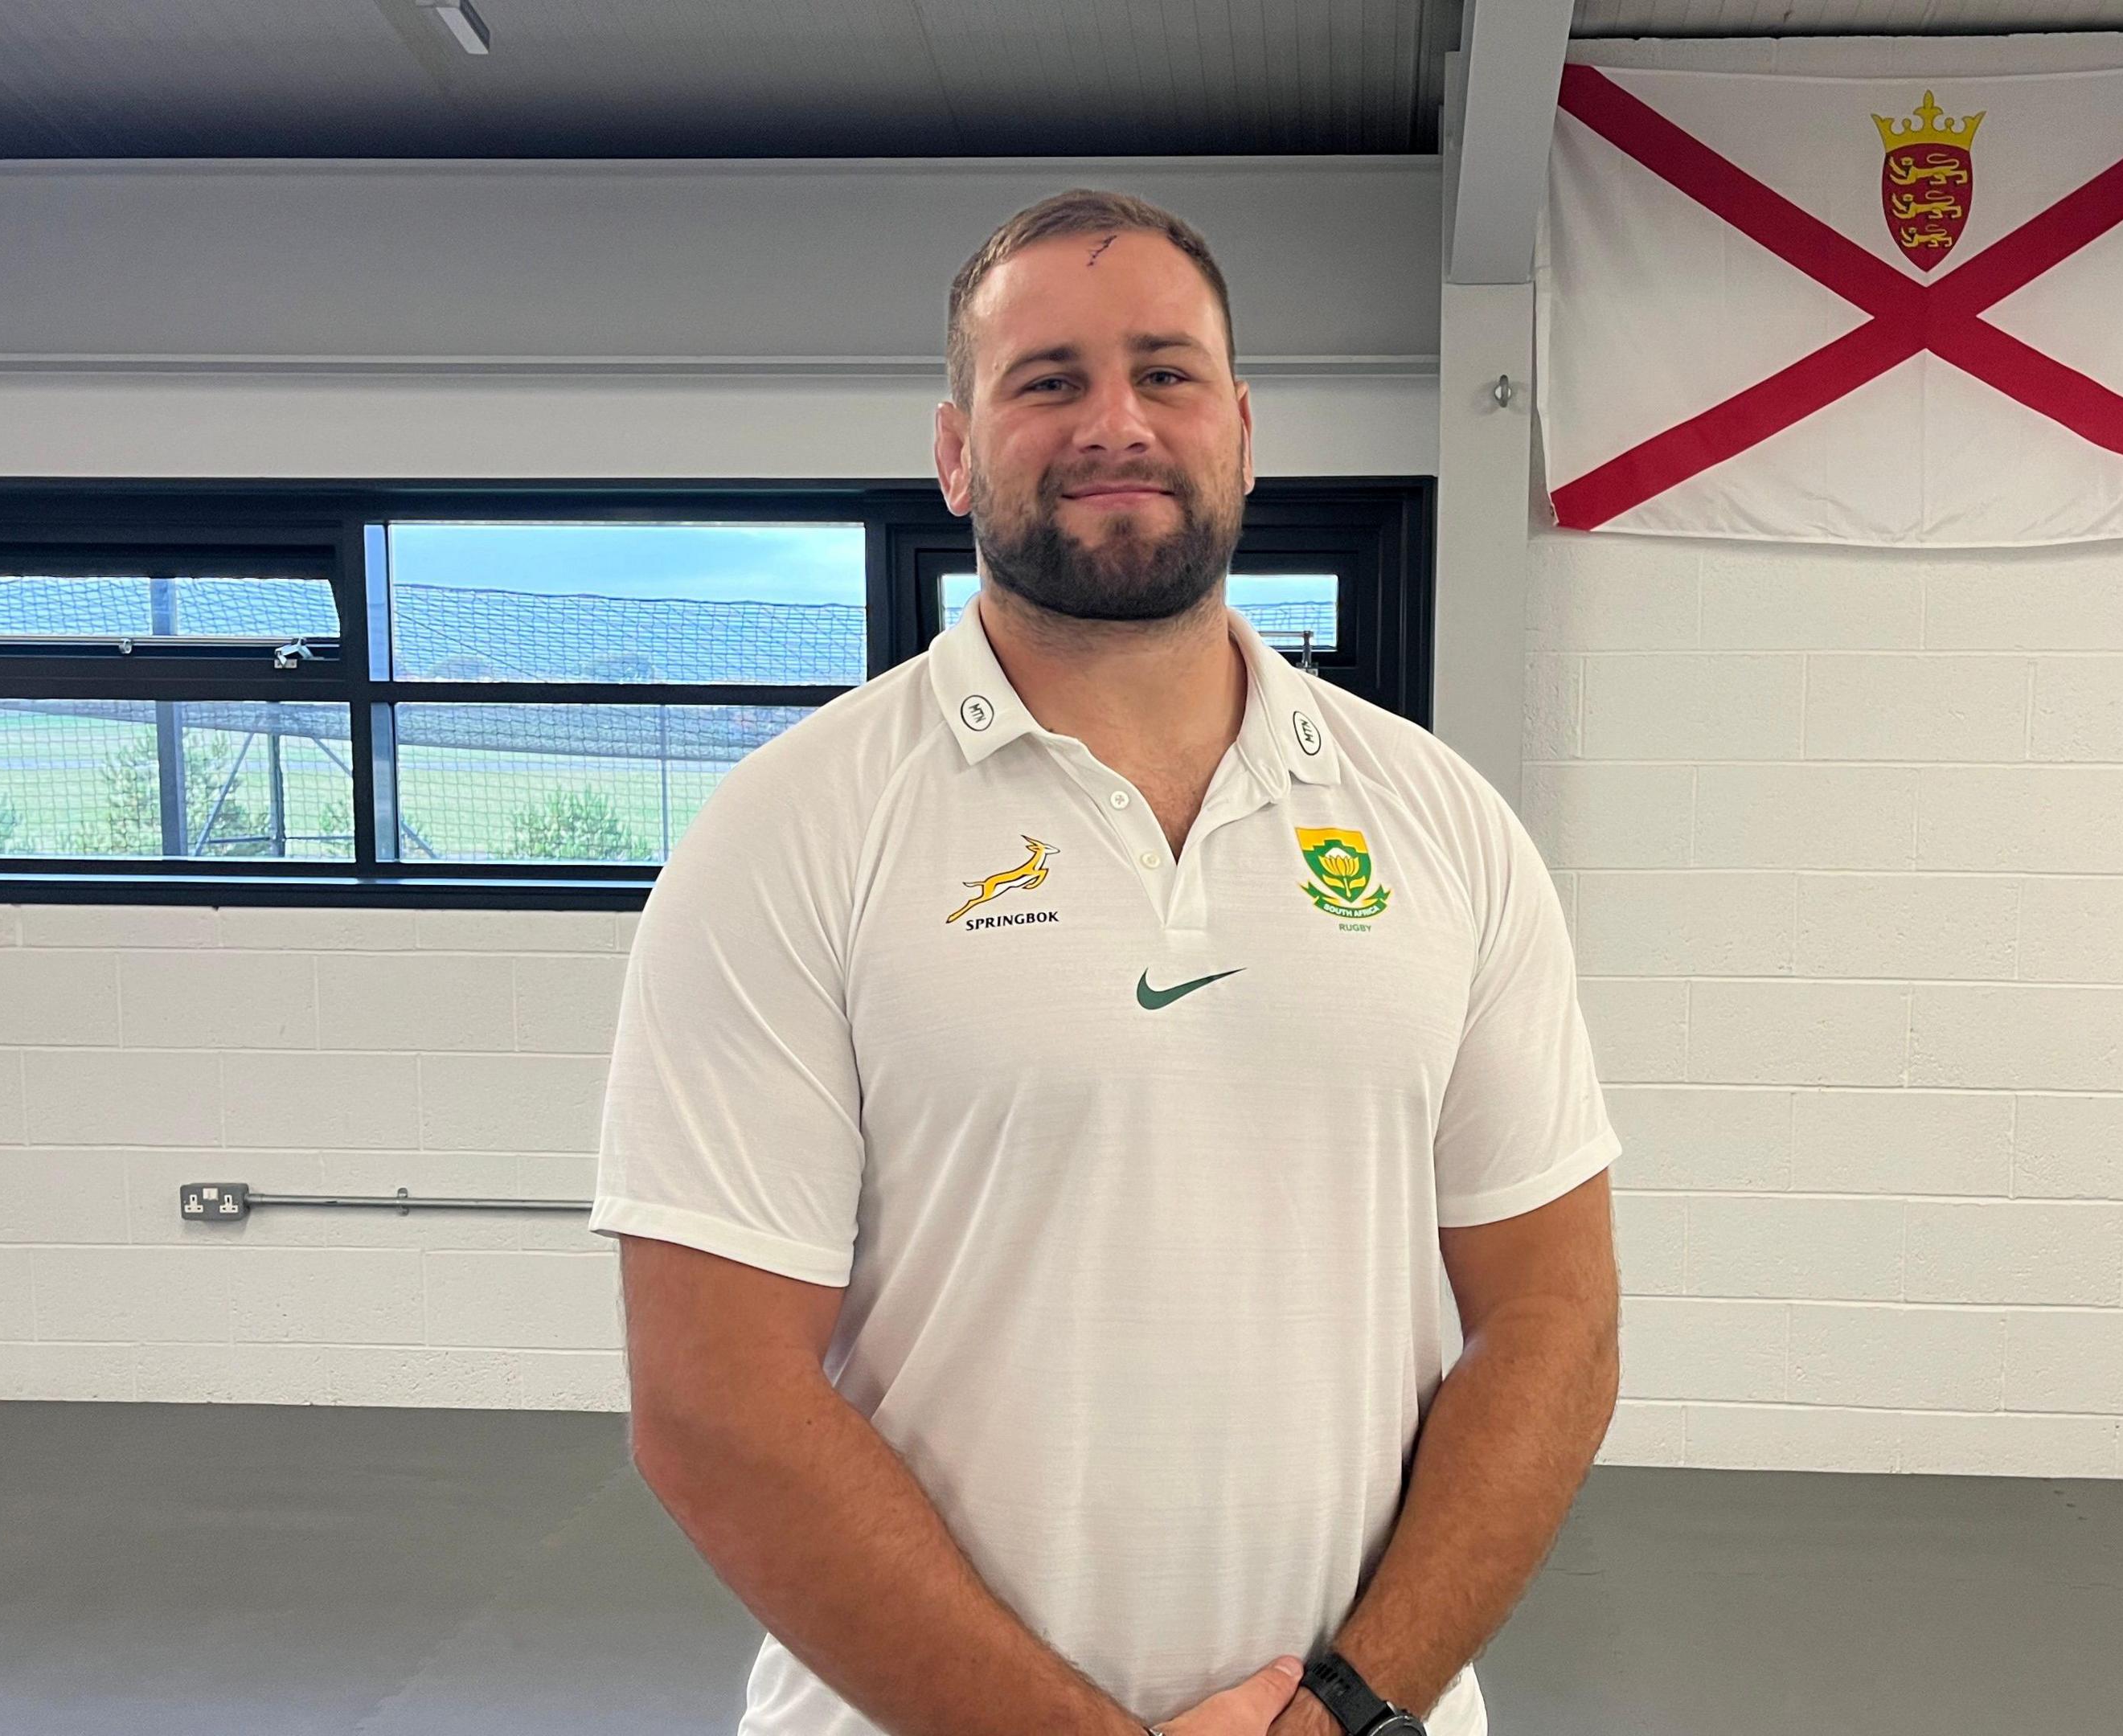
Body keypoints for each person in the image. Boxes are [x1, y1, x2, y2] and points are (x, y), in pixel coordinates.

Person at [592, 188, 1621, 1736]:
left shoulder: (1443, 826)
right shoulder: (792, 832)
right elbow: (710, 1404)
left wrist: (1346, 1709)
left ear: (1244, 430)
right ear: (955, 451)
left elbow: (1558, 1325)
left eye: (1166, 371)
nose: (1115, 421)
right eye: (1048, 379)